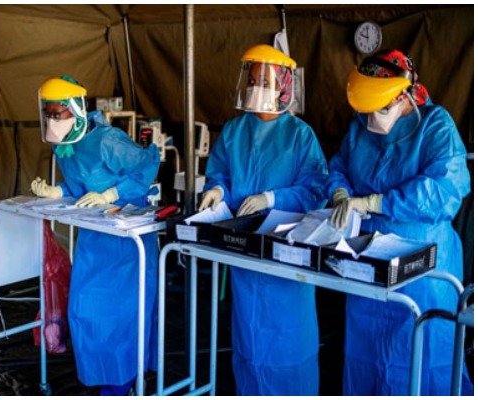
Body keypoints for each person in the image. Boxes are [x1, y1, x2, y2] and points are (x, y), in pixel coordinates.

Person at [327, 49, 474, 395]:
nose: (370, 119)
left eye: (379, 107)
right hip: (367, 261)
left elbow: (446, 189)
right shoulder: (361, 126)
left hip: (423, 266)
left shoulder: (436, 127)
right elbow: (339, 167)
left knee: (422, 356)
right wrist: (340, 194)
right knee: (366, 354)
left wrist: (378, 202)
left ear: (403, 95)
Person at [199, 45, 328, 395]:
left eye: (265, 81)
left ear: (284, 86)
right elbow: (221, 172)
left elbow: (316, 189)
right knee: (248, 337)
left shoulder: (300, 135)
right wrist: (217, 191)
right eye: (252, 80)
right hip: (243, 250)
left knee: (287, 343)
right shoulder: (234, 130)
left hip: (284, 252)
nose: (256, 87)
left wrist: (272, 198)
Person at [30, 75, 161, 395]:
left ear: (76, 109)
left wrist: (112, 194)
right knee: (83, 312)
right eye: (48, 112)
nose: (53, 118)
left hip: (128, 241)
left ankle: (123, 384)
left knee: (121, 317)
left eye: (59, 112)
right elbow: (79, 186)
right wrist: (56, 190)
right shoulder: (67, 146)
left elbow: (148, 167)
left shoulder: (107, 140)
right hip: (95, 239)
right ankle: (109, 378)